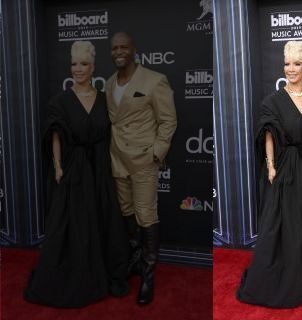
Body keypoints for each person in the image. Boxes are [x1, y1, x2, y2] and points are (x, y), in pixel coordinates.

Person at [236, 40, 302, 308]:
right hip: (287, 168)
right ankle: (291, 278)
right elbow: (268, 134)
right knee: (289, 225)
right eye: (287, 63)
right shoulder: (272, 100)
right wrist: (271, 166)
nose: (291, 69)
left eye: (297, 64)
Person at [24, 41, 130, 307]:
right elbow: (56, 135)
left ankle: (108, 273)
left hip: (100, 169)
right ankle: (78, 276)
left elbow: (116, 133)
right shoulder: (59, 101)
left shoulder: (105, 99)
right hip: (74, 170)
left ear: (93, 67)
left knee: (104, 219)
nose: (78, 69)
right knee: (76, 225)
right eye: (74, 64)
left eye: (83, 64)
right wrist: (58, 167)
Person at [106, 31, 177, 305]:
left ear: (134, 50)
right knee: (127, 213)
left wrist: (157, 154)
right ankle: (135, 260)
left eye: (124, 47)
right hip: (117, 160)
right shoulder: (110, 83)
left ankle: (149, 274)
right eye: (114, 48)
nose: (119, 52)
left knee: (146, 216)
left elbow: (168, 121)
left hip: (143, 161)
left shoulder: (154, 80)